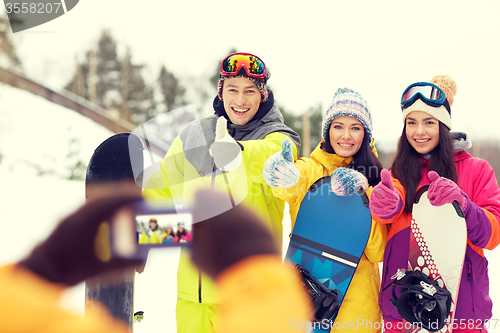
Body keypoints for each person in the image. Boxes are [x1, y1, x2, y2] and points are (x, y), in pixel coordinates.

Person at [0, 185, 312, 333]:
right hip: (202, 289)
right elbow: (165, 182)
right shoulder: (195, 133)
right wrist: (257, 270)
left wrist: (40, 271)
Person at [142, 51, 301, 332]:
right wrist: (139, 239)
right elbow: (160, 190)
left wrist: (237, 152)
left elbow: (271, 155)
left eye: (250, 91)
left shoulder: (280, 138)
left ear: (262, 94)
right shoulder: (195, 134)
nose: (240, 100)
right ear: (221, 91)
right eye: (233, 90)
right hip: (194, 295)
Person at [369, 75, 500, 333]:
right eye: (411, 123)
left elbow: (493, 235)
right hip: (404, 308)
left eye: (429, 122)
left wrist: (464, 205)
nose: (419, 132)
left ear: (443, 126)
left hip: (461, 311)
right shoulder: (399, 172)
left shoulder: (477, 170)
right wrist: (386, 208)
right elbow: (385, 235)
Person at [263, 88, 388, 332]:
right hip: (306, 303)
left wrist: (363, 200)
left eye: (356, 128)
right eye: (338, 126)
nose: (346, 135)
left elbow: (378, 251)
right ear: (328, 131)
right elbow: (290, 185)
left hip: (359, 313)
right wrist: (281, 175)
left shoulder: (376, 182)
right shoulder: (311, 170)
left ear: (366, 134)